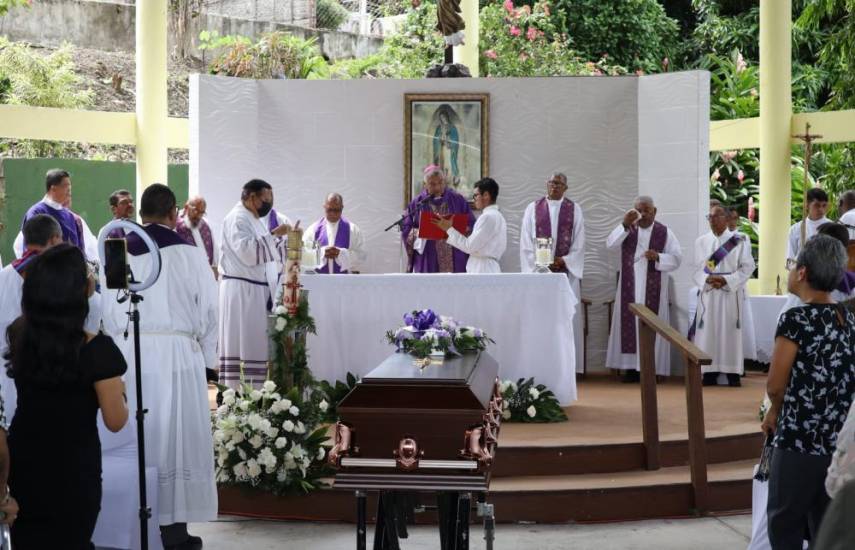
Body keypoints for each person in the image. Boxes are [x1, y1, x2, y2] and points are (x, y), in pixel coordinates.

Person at [100, 184, 218, 550]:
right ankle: (173, 530)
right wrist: (209, 363)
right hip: (177, 355)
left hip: (128, 354)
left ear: (141, 214)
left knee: (138, 440)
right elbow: (210, 311)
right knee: (173, 442)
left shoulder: (118, 249)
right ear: (173, 215)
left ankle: (133, 528)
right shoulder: (188, 251)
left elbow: (106, 308)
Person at [5, 244, 128, 549]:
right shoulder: (97, 350)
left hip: (24, 459)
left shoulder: (20, 335)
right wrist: (121, 391)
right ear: (81, 291)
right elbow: (116, 420)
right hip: (74, 467)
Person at [761, 235, 855, 549]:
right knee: (824, 526)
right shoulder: (848, 318)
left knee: (785, 520)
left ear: (801, 272)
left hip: (799, 440)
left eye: (792, 265)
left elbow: (775, 385)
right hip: (838, 441)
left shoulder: (796, 319)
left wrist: (774, 411)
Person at [218, 179, 292, 388]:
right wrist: (276, 234)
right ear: (252, 197)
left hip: (255, 291)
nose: (269, 204)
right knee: (243, 344)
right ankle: (239, 392)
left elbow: (267, 251)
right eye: (265, 200)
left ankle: (254, 392)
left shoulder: (253, 218)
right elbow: (249, 253)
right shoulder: (237, 218)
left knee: (253, 344)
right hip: (242, 291)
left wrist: (288, 242)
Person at [604, 196, 682, 382]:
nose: (643, 214)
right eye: (639, 210)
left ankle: (652, 369)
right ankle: (631, 369)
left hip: (654, 289)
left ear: (655, 211)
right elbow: (610, 245)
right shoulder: (627, 228)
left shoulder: (665, 232)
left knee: (652, 324)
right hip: (629, 290)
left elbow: (677, 258)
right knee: (630, 324)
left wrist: (658, 257)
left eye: (647, 210)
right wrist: (624, 224)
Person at [520, 172, 586, 373]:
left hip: (566, 273)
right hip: (539, 274)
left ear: (566, 187)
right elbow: (525, 241)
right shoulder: (533, 208)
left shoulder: (574, 209)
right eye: (551, 183)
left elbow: (579, 242)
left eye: (558, 183)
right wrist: (540, 264)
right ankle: (540, 364)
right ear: (546, 184)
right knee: (541, 318)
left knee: (566, 318)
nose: (554, 186)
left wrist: (564, 260)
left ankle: (569, 367)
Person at [0, 215, 63, 422]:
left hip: (5, 374)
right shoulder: (58, 277)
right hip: (46, 374)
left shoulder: (4, 275)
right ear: (54, 239)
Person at [690, 204, 755, 387]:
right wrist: (709, 280)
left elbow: (748, 267)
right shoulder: (701, 241)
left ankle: (732, 372)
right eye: (709, 216)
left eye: (716, 216)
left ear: (726, 219)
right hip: (709, 293)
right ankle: (708, 372)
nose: (712, 220)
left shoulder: (740, 240)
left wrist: (727, 281)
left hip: (729, 294)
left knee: (730, 331)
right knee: (708, 331)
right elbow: (696, 268)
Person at [401, 165, 475, 273]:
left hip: (455, 254)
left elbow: (471, 225)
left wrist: (463, 228)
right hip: (429, 257)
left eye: (440, 183)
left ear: (444, 182)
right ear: (425, 185)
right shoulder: (417, 203)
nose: (437, 187)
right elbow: (406, 229)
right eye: (432, 184)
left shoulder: (458, 200)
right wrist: (419, 233)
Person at [432, 177, 507, 273]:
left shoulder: (488, 217)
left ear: (486, 195)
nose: (474, 199)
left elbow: (469, 246)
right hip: (488, 267)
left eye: (476, 195)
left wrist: (449, 229)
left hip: (482, 269)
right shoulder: (498, 216)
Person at [302, 193, 366, 274]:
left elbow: (361, 255)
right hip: (320, 281)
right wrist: (322, 253)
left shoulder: (352, 230)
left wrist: (342, 254)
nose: (332, 213)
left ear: (342, 208)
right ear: (324, 207)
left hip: (345, 281)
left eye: (336, 210)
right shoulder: (314, 231)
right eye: (329, 210)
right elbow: (304, 256)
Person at [176, 195, 218, 275]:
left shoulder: (205, 225)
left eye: (202, 213)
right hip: (184, 274)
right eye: (196, 210)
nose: (198, 215)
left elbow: (213, 250)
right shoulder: (175, 226)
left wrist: (214, 267)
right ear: (186, 207)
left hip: (205, 275)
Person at [787, 188, 831, 262]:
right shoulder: (795, 229)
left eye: (824, 205)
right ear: (807, 205)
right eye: (817, 205)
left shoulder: (833, 227)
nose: (821, 209)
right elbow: (790, 258)